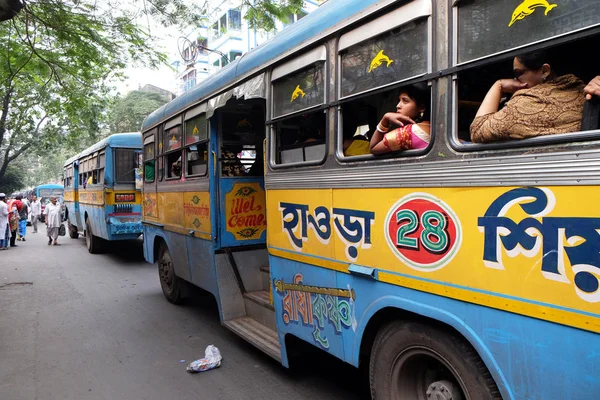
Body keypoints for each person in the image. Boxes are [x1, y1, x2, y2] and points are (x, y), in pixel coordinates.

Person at [470, 51, 586, 143]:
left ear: (545, 71)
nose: (515, 80)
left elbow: (477, 130)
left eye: (518, 73)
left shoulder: (526, 101)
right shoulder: (580, 89)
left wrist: (498, 85)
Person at [370, 86, 431, 155]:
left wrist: (385, 119)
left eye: (405, 101)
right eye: (399, 100)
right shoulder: (432, 126)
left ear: (421, 108)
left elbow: (373, 148)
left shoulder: (407, 133)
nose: (398, 105)